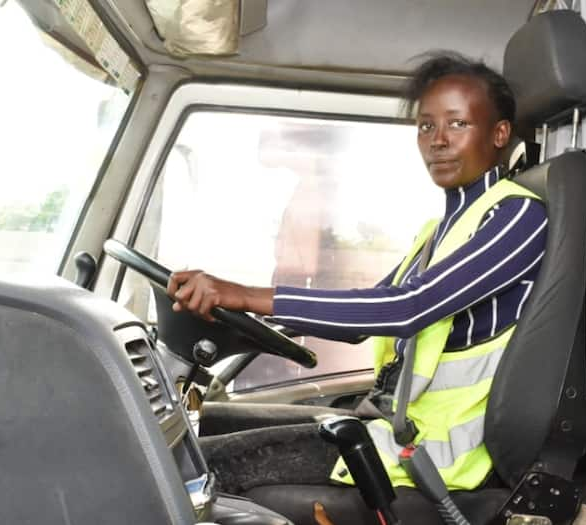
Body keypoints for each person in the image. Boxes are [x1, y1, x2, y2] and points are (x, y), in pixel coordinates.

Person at [167, 51, 548, 508]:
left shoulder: (517, 215)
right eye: (426, 126)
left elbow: (408, 307)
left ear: (499, 134)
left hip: (434, 449)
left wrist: (243, 294)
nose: (438, 141)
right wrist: (242, 309)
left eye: (457, 124)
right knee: (204, 423)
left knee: (180, 466)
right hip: (393, 421)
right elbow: (363, 317)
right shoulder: (439, 230)